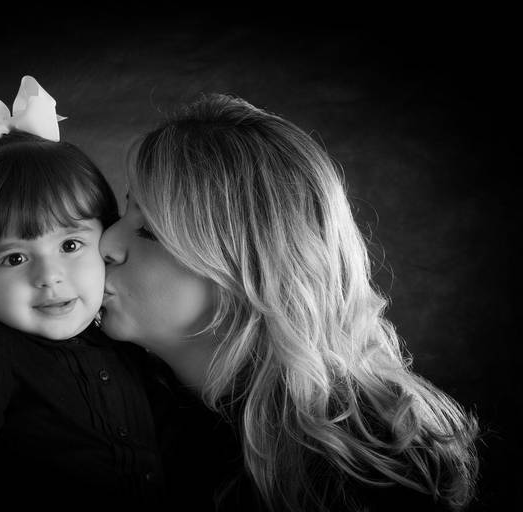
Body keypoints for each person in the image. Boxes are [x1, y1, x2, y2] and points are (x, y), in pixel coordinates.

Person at [98, 93, 479, 511]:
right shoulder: (103, 402)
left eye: (149, 230)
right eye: (124, 212)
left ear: (245, 272)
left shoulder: (371, 472)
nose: (108, 243)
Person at [0, 79, 170, 511]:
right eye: (13, 258)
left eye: (69, 246)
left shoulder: (128, 342)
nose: (49, 277)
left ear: (104, 238)